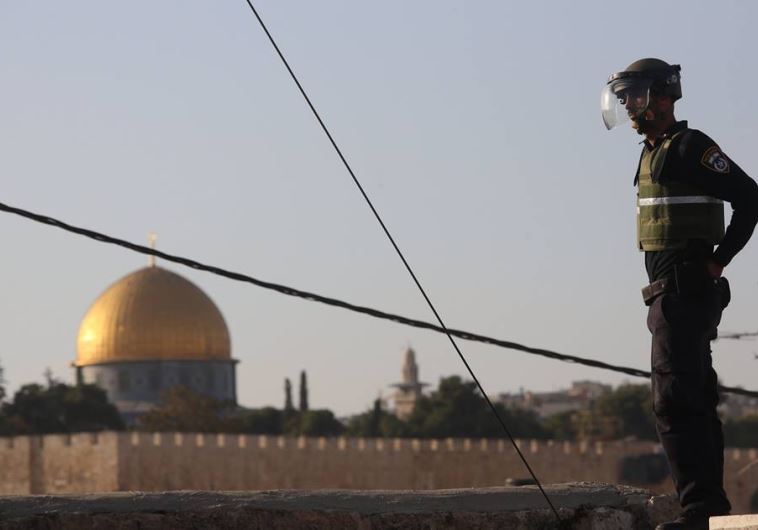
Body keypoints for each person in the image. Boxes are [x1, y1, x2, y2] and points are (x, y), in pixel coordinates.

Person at [602, 58, 758, 530]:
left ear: (664, 97)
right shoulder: (652, 151)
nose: (628, 103)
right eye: (623, 95)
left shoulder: (691, 146)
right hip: (667, 295)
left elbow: (750, 197)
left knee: (673, 397)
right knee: (691, 394)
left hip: (685, 290)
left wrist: (719, 259)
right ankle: (706, 506)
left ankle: (700, 508)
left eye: (635, 93)